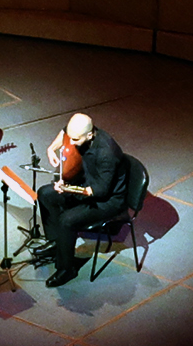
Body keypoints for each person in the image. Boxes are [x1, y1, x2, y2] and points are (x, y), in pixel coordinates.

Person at [36, 113, 127, 287]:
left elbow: (100, 191)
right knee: (45, 194)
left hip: (107, 200)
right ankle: (57, 243)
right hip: (88, 184)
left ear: (90, 135)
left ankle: (67, 269)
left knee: (66, 220)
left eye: (75, 140)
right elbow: (65, 132)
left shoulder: (106, 153)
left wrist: (68, 189)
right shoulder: (79, 133)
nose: (71, 142)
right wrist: (51, 148)